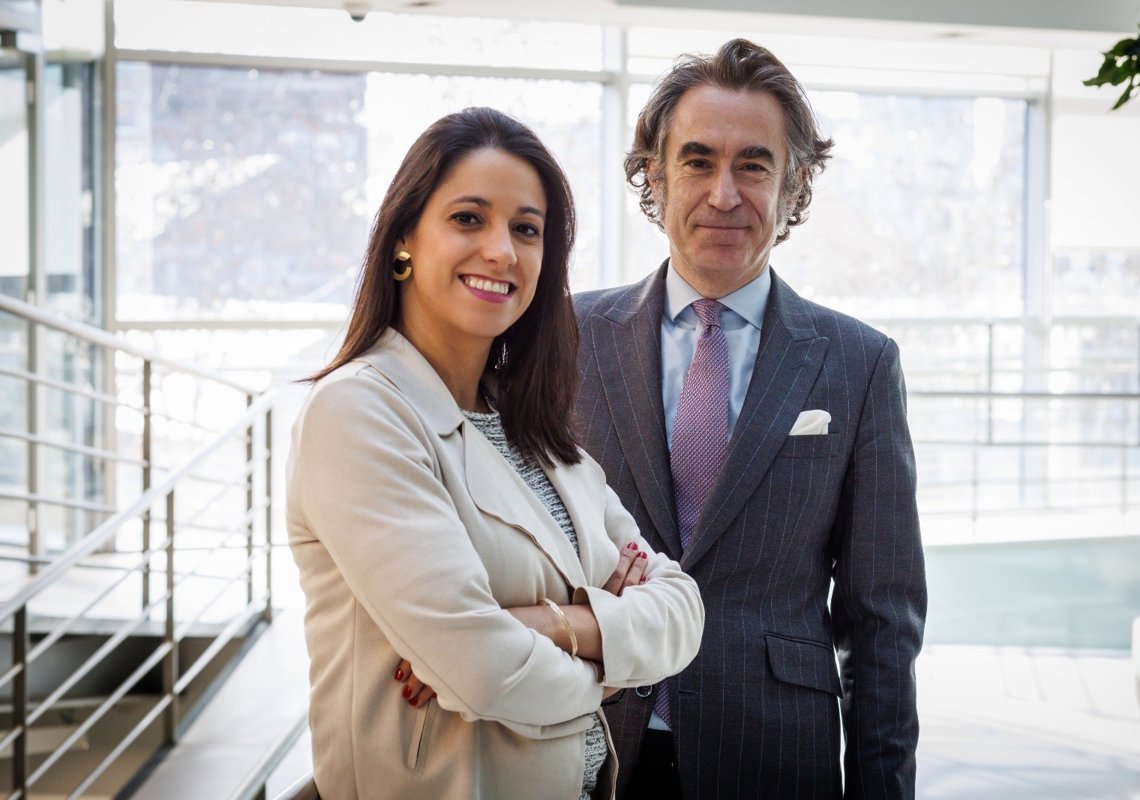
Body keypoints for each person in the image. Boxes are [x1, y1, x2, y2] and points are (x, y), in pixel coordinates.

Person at [287, 107, 704, 800]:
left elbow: (683, 610)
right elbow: (482, 670)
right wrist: (614, 658)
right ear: (403, 238)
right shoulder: (358, 413)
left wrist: (549, 626)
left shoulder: (527, 424)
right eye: (468, 219)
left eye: (526, 229)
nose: (502, 252)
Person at [574, 39, 927, 799]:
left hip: (772, 754)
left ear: (795, 184)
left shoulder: (860, 364)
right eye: (698, 162)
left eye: (754, 166)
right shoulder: (567, 340)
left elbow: (882, 624)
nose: (724, 194)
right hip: (586, 742)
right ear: (655, 176)